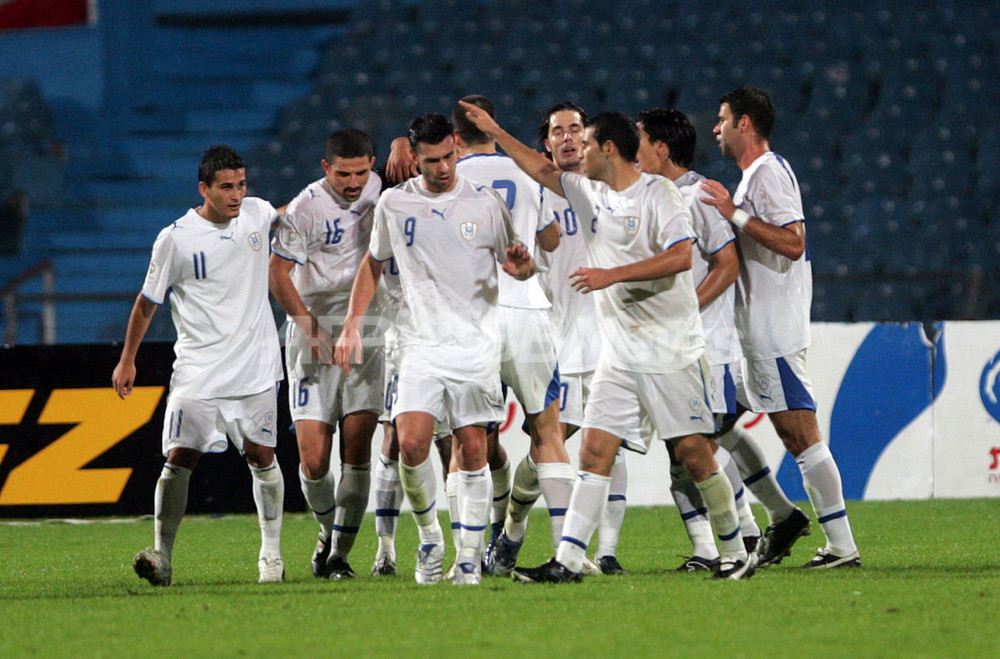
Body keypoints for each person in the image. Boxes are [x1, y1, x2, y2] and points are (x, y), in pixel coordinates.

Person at [459, 102, 755, 582]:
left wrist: (610, 276)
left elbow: (680, 257)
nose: (581, 152)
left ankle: (736, 551)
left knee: (693, 452)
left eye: (590, 143)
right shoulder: (586, 191)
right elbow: (537, 166)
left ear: (609, 149)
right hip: (618, 353)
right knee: (594, 452)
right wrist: (494, 130)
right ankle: (570, 560)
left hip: (669, 348)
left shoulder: (659, 194)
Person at [334, 113, 536, 585]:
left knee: (472, 449)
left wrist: (523, 268)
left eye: (449, 156)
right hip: (417, 342)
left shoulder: (484, 203)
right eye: (432, 160)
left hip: (474, 343)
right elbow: (372, 264)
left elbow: (517, 267)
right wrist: (350, 324)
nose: (443, 167)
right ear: (415, 156)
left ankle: (467, 557)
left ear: (457, 149)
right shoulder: (394, 204)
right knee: (410, 444)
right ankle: (429, 539)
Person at [700, 86, 861, 568]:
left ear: (744, 124)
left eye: (723, 118)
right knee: (718, 419)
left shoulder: (766, 174)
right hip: (756, 335)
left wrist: (734, 214)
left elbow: (793, 243)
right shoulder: (756, 176)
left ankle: (840, 546)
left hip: (774, 333)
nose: (717, 127)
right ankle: (779, 517)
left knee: (800, 437)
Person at [113, 145, 286, 586]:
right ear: (203, 188)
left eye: (242, 185)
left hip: (255, 364)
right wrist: (127, 359)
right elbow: (146, 303)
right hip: (199, 368)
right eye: (226, 187)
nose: (236, 195)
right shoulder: (176, 238)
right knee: (179, 457)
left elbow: (299, 213)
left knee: (261, 454)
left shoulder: (257, 215)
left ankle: (271, 556)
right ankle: (163, 556)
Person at [450, 96, 574, 577]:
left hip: (472, 318)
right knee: (547, 429)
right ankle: (566, 554)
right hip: (525, 311)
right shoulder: (525, 170)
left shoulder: (446, 179)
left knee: (469, 441)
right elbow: (550, 239)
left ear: (455, 137)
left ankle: (466, 563)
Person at [636, 107, 764, 571]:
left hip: (706, 346)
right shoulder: (655, 194)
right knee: (682, 452)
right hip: (672, 347)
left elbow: (726, 265)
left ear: (662, 148)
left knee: (696, 449)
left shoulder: (699, 196)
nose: (634, 149)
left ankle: (743, 538)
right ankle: (715, 547)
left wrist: (683, 308)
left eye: (640, 139)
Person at [269, 128, 386, 580]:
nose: (354, 183)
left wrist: (397, 146)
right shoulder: (304, 208)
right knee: (315, 461)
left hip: (367, 329)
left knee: (356, 452)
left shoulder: (382, 188)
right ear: (325, 169)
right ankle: (327, 533)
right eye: (343, 174)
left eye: (361, 172)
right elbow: (278, 275)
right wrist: (308, 327)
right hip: (312, 329)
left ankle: (338, 556)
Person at [534, 101, 629, 576]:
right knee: (545, 446)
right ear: (546, 142)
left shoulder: (611, 189)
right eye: (559, 132)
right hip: (557, 342)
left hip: (611, 339)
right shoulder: (534, 195)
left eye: (576, 130)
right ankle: (511, 526)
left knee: (611, 444)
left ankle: (605, 552)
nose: (568, 138)